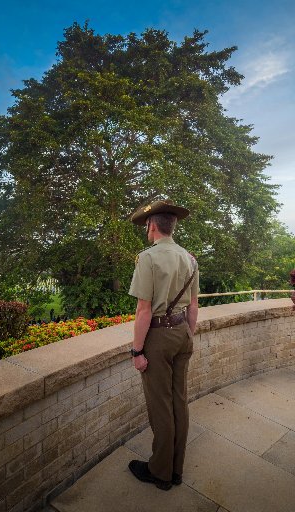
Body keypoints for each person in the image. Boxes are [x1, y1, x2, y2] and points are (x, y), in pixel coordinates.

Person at [127, 199, 199, 491]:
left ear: (152, 225)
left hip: (158, 337)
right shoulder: (190, 259)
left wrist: (137, 350)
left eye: (146, 225)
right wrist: (188, 335)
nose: (146, 229)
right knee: (179, 401)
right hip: (183, 332)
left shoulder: (148, 258)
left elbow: (144, 310)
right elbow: (194, 306)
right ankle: (176, 469)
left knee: (160, 405)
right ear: (174, 226)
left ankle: (160, 472)